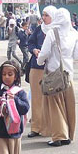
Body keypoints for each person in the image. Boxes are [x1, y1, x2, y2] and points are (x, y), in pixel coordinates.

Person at [37, 8, 78, 146]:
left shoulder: (52, 32)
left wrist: (39, 61)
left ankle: (58, 136)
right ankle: (68, 134)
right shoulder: (74, 33)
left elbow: (44, 53)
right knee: (69, 106)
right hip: (69, 74)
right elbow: (77, 55)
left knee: (55, 106)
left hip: (54, 74)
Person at [0, 60, 29, 154]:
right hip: (0, 131)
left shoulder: (19, 92)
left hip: (15, 131)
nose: (6, 77)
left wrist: (15, 100)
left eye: (10, 74)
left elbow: (25, 108)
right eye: (4, 74)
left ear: (16, 76)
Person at [26, 7, 55, 138]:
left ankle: (50, 127)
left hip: (50, 68)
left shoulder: (56, 30)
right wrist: (34, 51)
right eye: (43, 15)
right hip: (36, 66)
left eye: (46, 15)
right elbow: (30, 43)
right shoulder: (39, 29)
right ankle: (36, 127)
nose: (43, 18)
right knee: (36, 99)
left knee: (50, 99)